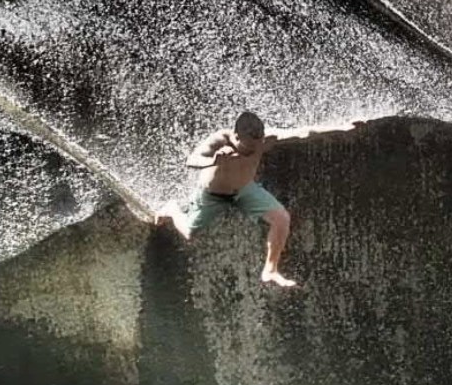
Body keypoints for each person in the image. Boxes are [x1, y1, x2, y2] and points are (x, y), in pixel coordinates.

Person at [154, 111, 360, 287]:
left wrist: (341, 127)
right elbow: (192, 160)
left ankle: (270, 270)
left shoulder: (264, 140)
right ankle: (172, 209)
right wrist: (213, 160)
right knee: (189, 233)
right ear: (236, 135)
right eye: (250, 145)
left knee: (282, 219)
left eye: (258, 143)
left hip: (245, 191)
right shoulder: (220, 140)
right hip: (213, 195)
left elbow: (303, 131)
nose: (255, 148)